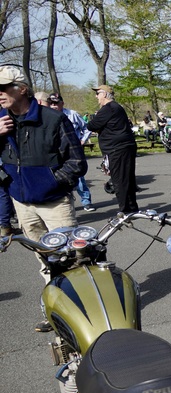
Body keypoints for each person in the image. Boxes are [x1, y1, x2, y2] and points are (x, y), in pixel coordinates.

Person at [0, 65, 87, 331]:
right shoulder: (1, 121)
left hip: (54, 203)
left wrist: (49, 183)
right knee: (45, 262)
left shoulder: (53, 119)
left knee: (69, 259)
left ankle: (82, 313)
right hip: (22, 204)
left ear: (22, 89)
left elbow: (77, 162)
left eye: (3, 88)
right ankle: (57, 312)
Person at [87, 84, 139, 212]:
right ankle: (132, 208)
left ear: (104, 94)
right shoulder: (116, 107)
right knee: (127, 179)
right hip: (122, 147)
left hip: (117, 149)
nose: (96, 97)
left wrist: (97, 125)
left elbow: (92, 125)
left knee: (120, 180)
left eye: (98, 93)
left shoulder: (109, 108)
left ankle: (126, 210)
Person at [47, 92, 95, 212]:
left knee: (79, 177)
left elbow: (86, 128)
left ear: (62, 103)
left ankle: (86, 201)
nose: (53, 106)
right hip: (56, 152)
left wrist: (82, 140)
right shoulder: (47, 115)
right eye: (51, 104)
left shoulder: (72, 114)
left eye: (56, 103)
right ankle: (66, 204)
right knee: (59, 178)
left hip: (73, 151)